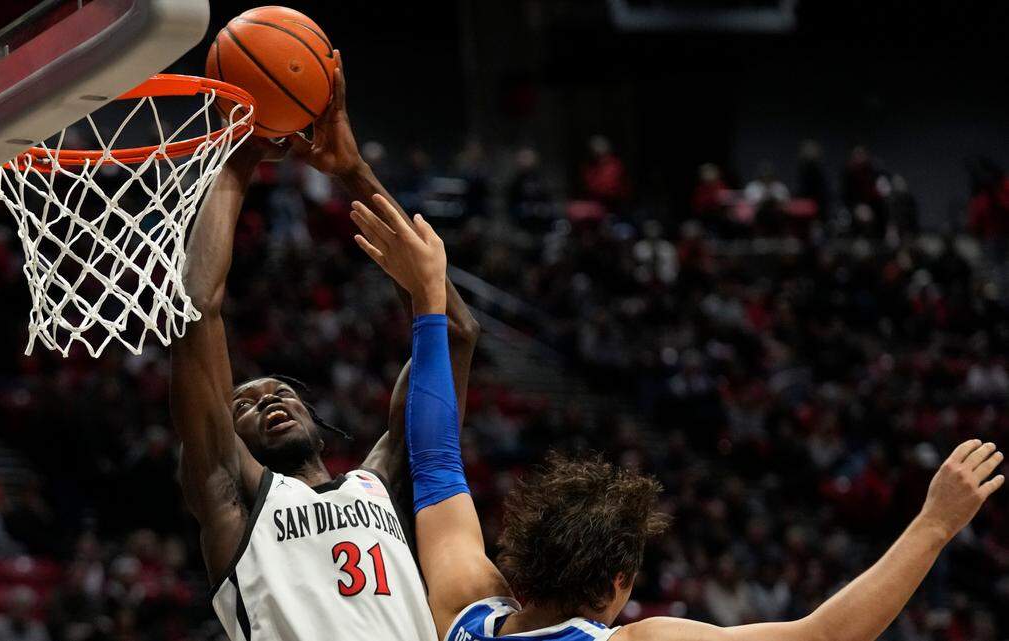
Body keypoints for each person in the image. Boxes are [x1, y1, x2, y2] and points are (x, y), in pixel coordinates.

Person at [350, 203, 1007, 641]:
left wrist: (430, 299)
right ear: (618, 585)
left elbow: (433, 454)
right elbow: (826, 634)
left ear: (518, 556)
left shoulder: (465, 606)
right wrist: (936, 522)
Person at [170, 51, 480, 641]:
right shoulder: (233, 498)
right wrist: (243, 158)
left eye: (280, 391)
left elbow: (455, 332)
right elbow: (196, 311)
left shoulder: (380, 482)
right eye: (245, 405)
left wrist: (351, 169)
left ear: (316, 416)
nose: (266, 400)